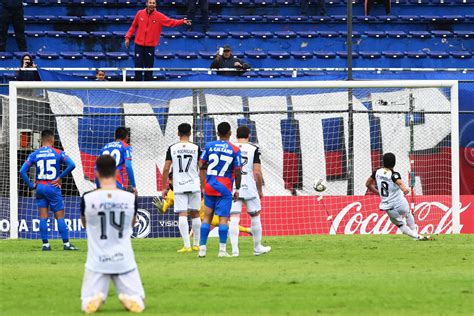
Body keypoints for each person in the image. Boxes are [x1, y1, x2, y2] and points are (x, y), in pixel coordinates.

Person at [80, 155, 145, 313]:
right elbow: (133, 222)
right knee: (139, 298)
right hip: (123, 259)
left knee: (86, 301)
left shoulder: (87, 199)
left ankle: (97, 298)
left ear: (96, 173)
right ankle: (131, 299)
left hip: (97, 261)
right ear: (117, 173)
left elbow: (85, 224)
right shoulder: (130, 198)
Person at [19, 130, 77, 251]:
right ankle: (66, 244)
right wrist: (60, 177)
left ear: (41, 140)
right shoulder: (58, 152)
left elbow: (22, 171)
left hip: (40, 187)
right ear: (52, 140)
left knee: (43, 216)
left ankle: (45, 245)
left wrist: (30, 185)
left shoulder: (35, 154)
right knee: (60, 216)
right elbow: (72, 165)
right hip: (52, 186)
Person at [198, 122, 242, 258]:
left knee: (207, 217)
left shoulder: (209, 146)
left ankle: (202, 250)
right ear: (230, 133)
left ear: (217, 133)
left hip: (210, 185)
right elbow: (238, 171)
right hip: (224, 187)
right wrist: (238, 189)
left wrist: (204, 183)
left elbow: (200, 164)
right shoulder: (235, 149)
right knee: (223, 219)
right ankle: (222, 251)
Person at [153, 175, 252, 235]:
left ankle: (248, 230)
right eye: (172, 180)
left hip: (203, 208)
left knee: (222, 223)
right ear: (169, 181)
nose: (174, 181)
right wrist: (160, 208)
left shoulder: (190, 186)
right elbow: (163, 209)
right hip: (195, 213)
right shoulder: (171, 193)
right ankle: (248, 230)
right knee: (220, 223)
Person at [365, 153, 431, 241]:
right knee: (408, 213)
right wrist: (405, 189)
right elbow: (399, 182)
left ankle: (417, 237)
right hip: (400, 203)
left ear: (383, 162)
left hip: (388, 206)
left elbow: (368, 184)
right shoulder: (394, 174)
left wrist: (379, 193)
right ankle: (416, 234)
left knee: (401, 225)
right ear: (394, 163)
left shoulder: (377, 172)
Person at [229, 126, 271, 257]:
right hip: (249, 187)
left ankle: (235, 250)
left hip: (234, 186)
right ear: (249, 136)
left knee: (234, 218)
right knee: (255, 216)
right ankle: (257, 248)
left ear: (236, 136)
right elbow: (257, 172)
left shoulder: (230, 148)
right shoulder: (253, 149)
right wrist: (259, 190)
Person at [125, 0, 192, 81]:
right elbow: (133, 26)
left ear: (155, 4)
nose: (151, 4)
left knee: (149, 67)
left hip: (150, 46)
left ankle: (148, 86)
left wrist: (182, 21)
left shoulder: (159, 16)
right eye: (150, 3)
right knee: (138, 66)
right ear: (146, 3)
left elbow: (171, 22)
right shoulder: (139, 13)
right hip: (138, 45)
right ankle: (137, 84)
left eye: (153, 3)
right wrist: (127, 37)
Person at [161, 123, 202, 253]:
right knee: (195, 214)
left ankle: (187, 246)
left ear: (178, 133)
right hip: (194, 184)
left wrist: (164, 187)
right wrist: (203, 184)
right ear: (190, 133)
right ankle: (197, 244)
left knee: (182, 213)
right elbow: (202, 167)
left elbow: (166, 168)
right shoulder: (196, 147)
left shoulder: (172, 148)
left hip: (179, 185)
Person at [99, 127, 137, 194]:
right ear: (126, 137)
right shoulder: (126, 147)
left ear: (115, 136)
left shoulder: (104, 147)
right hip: (116, 182)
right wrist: (133, 185)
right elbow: (128, 165)